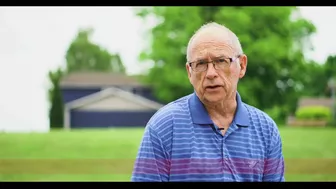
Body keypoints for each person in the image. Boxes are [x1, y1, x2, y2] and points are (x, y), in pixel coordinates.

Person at [131, 22, 285, 182]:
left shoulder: (266, 130)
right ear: (189, 72)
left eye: (221, 61)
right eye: (201, 64)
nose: (211, 73)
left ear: (242, 65)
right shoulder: (164, 127)